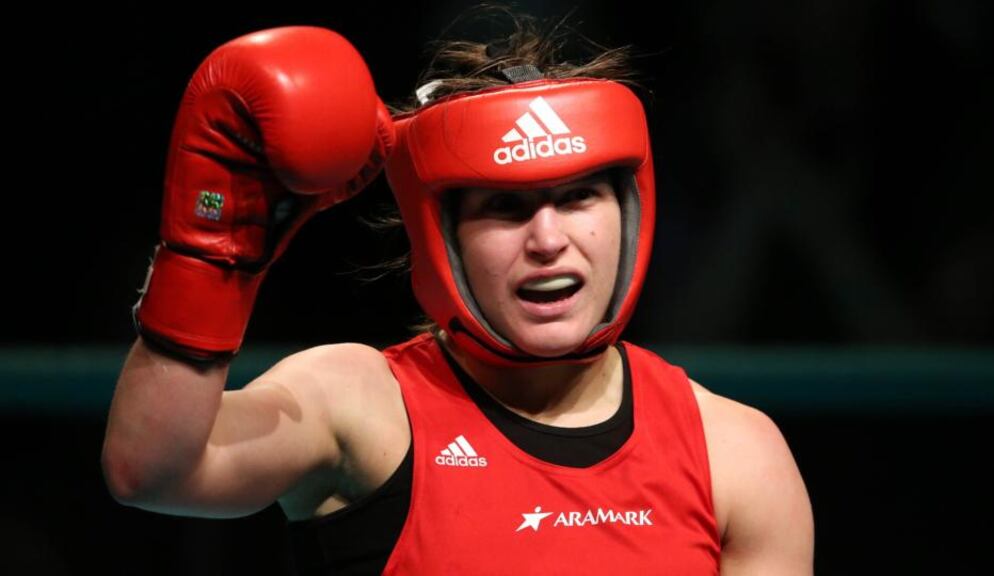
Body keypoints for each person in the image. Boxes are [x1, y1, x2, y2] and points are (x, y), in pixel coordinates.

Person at [102, 7, 814, 575]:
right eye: (505, 207)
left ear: (629, 209)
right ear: (439, 231)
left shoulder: (733, 452)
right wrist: (214, 256)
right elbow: (151, 473)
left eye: (578, 197)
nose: (548, 239)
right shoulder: (361, 406)